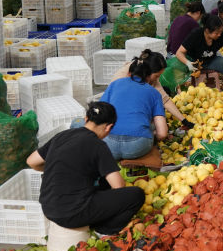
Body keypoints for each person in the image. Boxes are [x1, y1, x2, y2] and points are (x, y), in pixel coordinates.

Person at [27, 101, 145, 236]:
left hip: (48, 208)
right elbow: (118, 186)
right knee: (136, 195)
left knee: (103, 181)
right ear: (109, 127)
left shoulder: (62, 135)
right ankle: (104, 231)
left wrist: (56, 168)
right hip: (72, 213)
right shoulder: (98, 145)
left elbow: (31, 161)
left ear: (86, 119)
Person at [99, 54, 170, 160]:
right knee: (152, 126)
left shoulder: (114, 84)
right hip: (137, 146)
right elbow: (162, 133)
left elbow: (99, 114)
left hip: (108, 144)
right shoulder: (154, 93)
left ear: (129, 73)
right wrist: (154, 135)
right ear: (148, 76)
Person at [109, 51, 194, 131]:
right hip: (117, 119)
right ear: (148, 71)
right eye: (157, 76)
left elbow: (165, 100)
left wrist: (184, 121)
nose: (158, 78)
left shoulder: (150, 77)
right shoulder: (123, 78)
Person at [176, 14, 223, 92]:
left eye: (220, 32)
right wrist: (188, 63)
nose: (219, 35)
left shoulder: (221, 36)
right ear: (207, 31)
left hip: (211, 61)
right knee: (181, 79)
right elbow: (179, 53)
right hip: (193, 62)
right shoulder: (195, 35)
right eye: (216, 33)